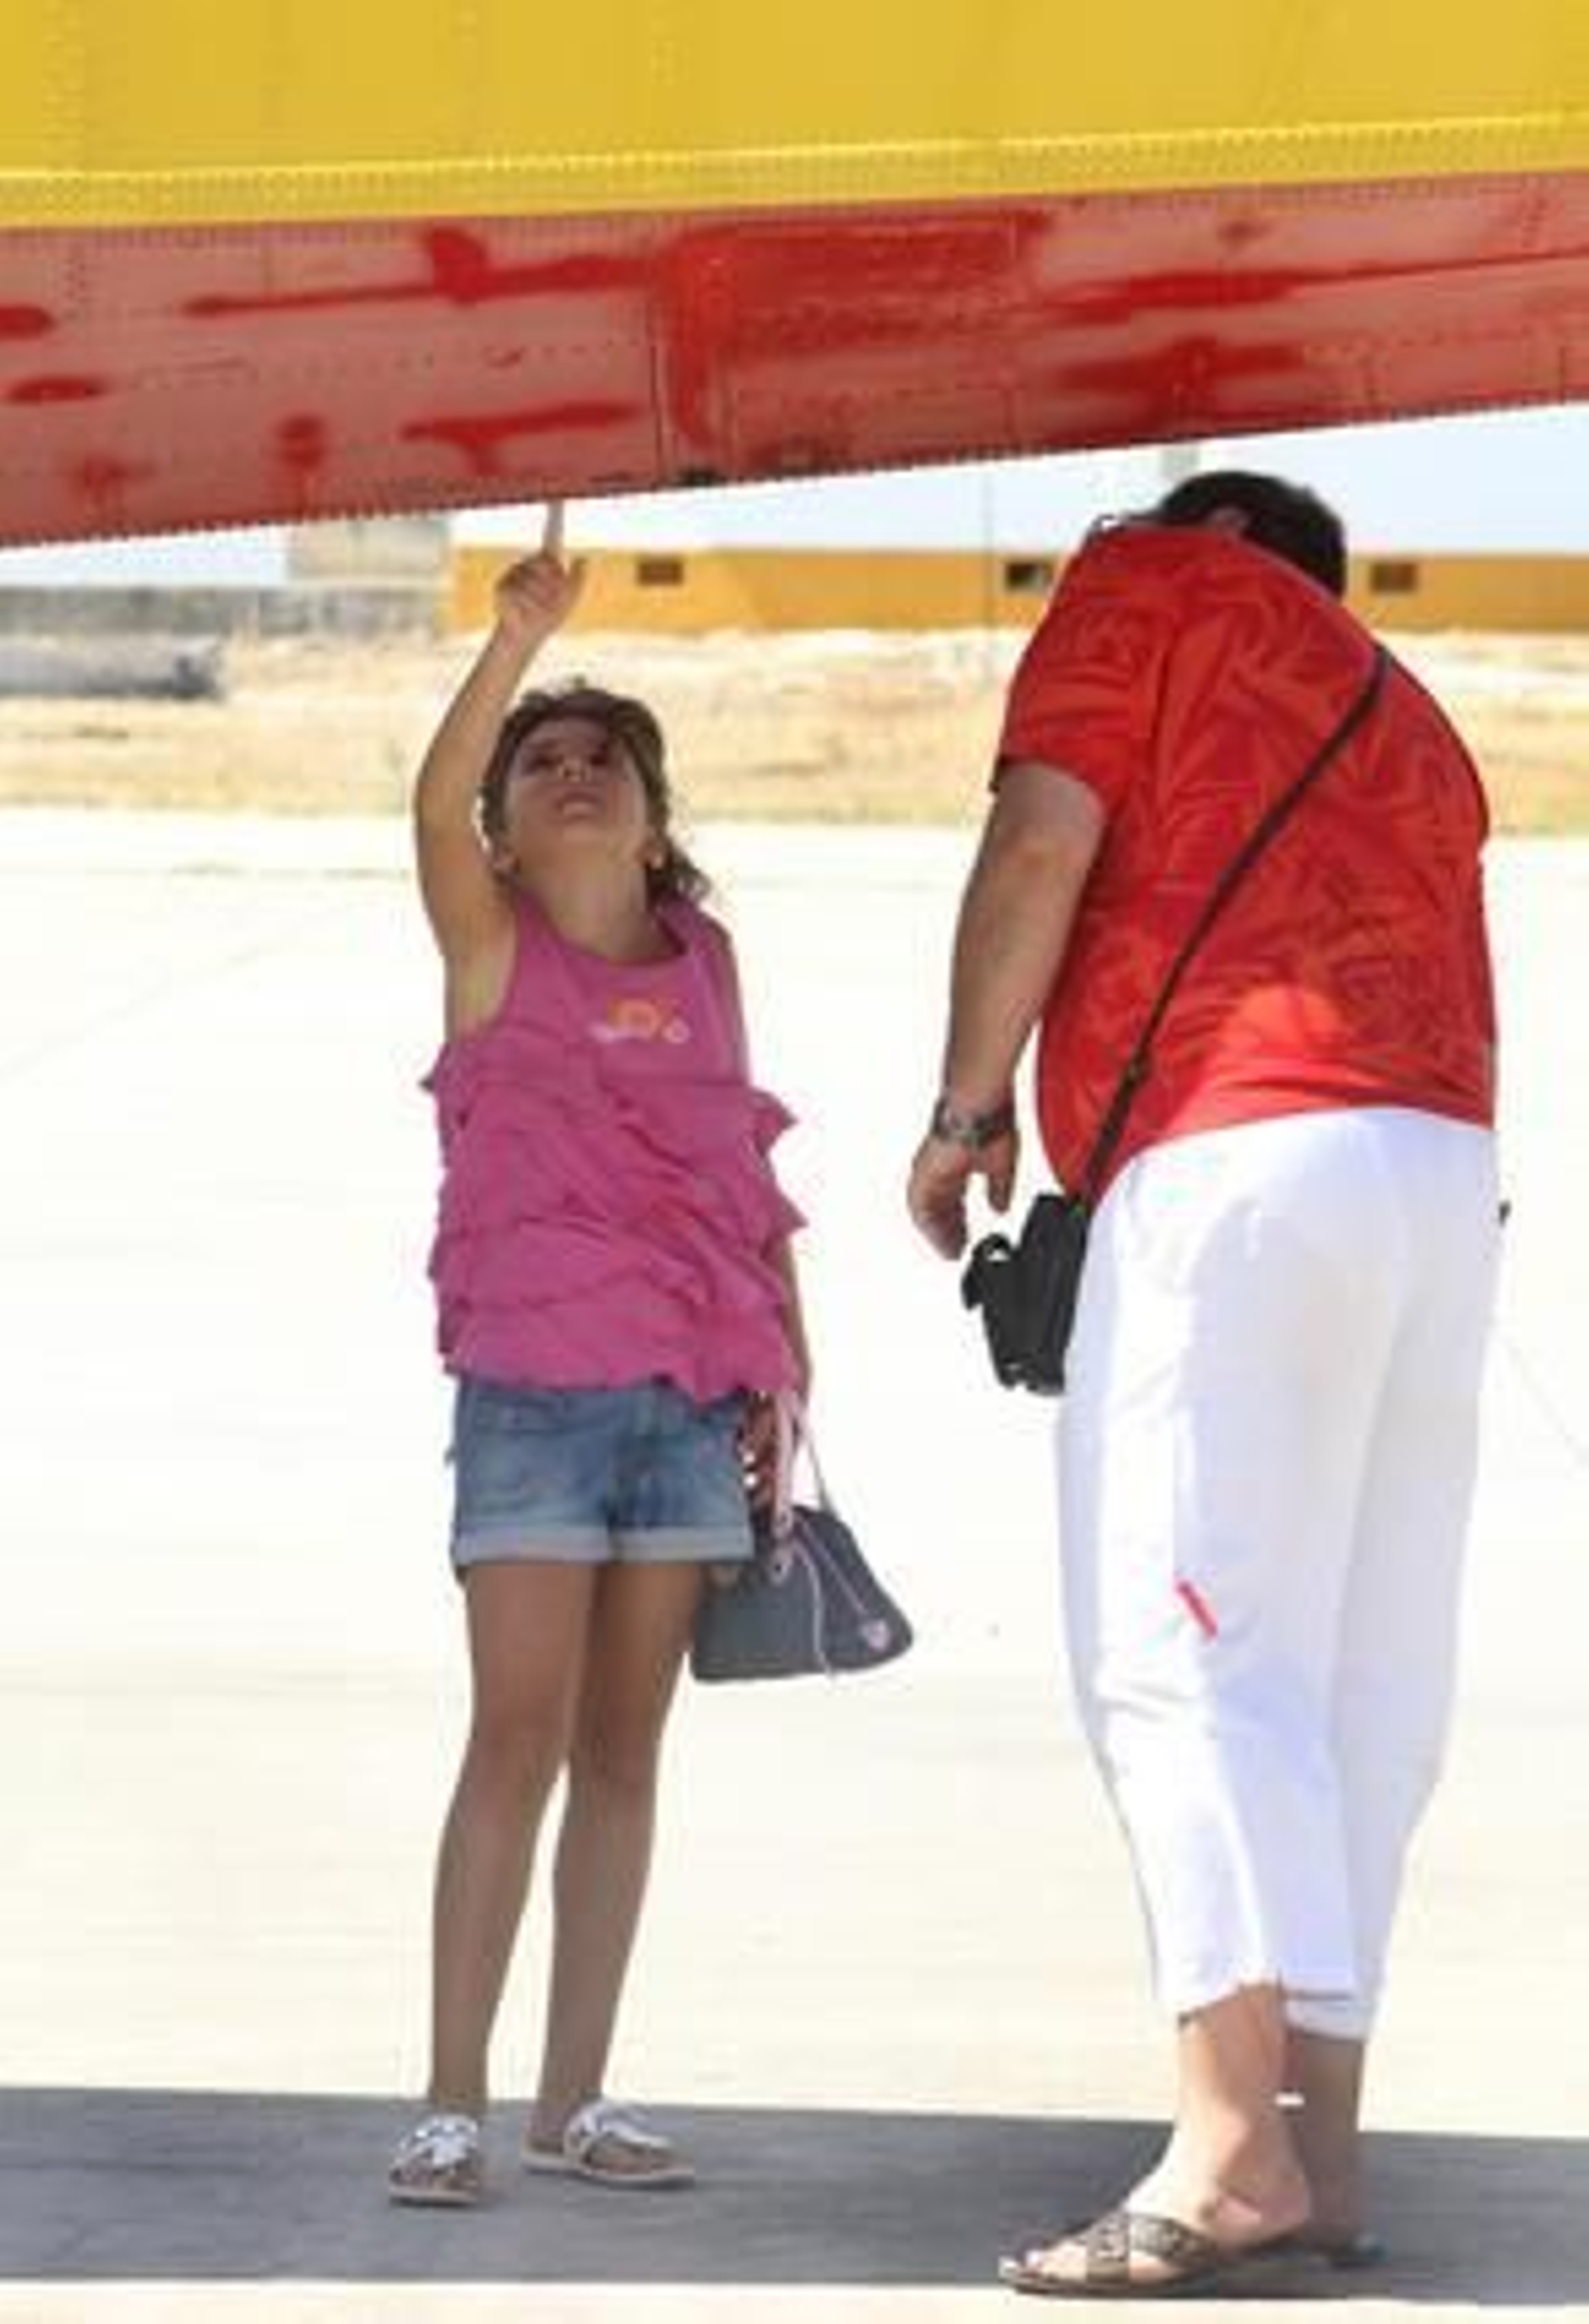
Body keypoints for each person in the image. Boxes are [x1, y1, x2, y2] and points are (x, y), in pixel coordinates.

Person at [907, 472, 1501, 2298]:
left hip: (1236, 1163)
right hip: (1435, 1169)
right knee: (1350, 1674)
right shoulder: (1411, 710)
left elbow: (1038, 838)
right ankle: (1315, 2130)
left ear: (1203, 533)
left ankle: (1227, 2149)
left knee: (1183, 1655)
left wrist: (964, 1103)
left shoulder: (1152, 581)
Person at [389, 504, 807, 2207]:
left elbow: (743, 1176)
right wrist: (516, 644)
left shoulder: (707, 962)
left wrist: (786, 1374)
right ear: (503, 825)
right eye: (543, 761)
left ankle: (575, 2100)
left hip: (694, 1405)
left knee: (627, 1757)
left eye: (604, 760)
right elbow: (427, 804)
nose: (573, 773)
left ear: (650, 819)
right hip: (539, 1407)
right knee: (515, 1738)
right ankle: (449, 2101)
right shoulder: (493, 952)